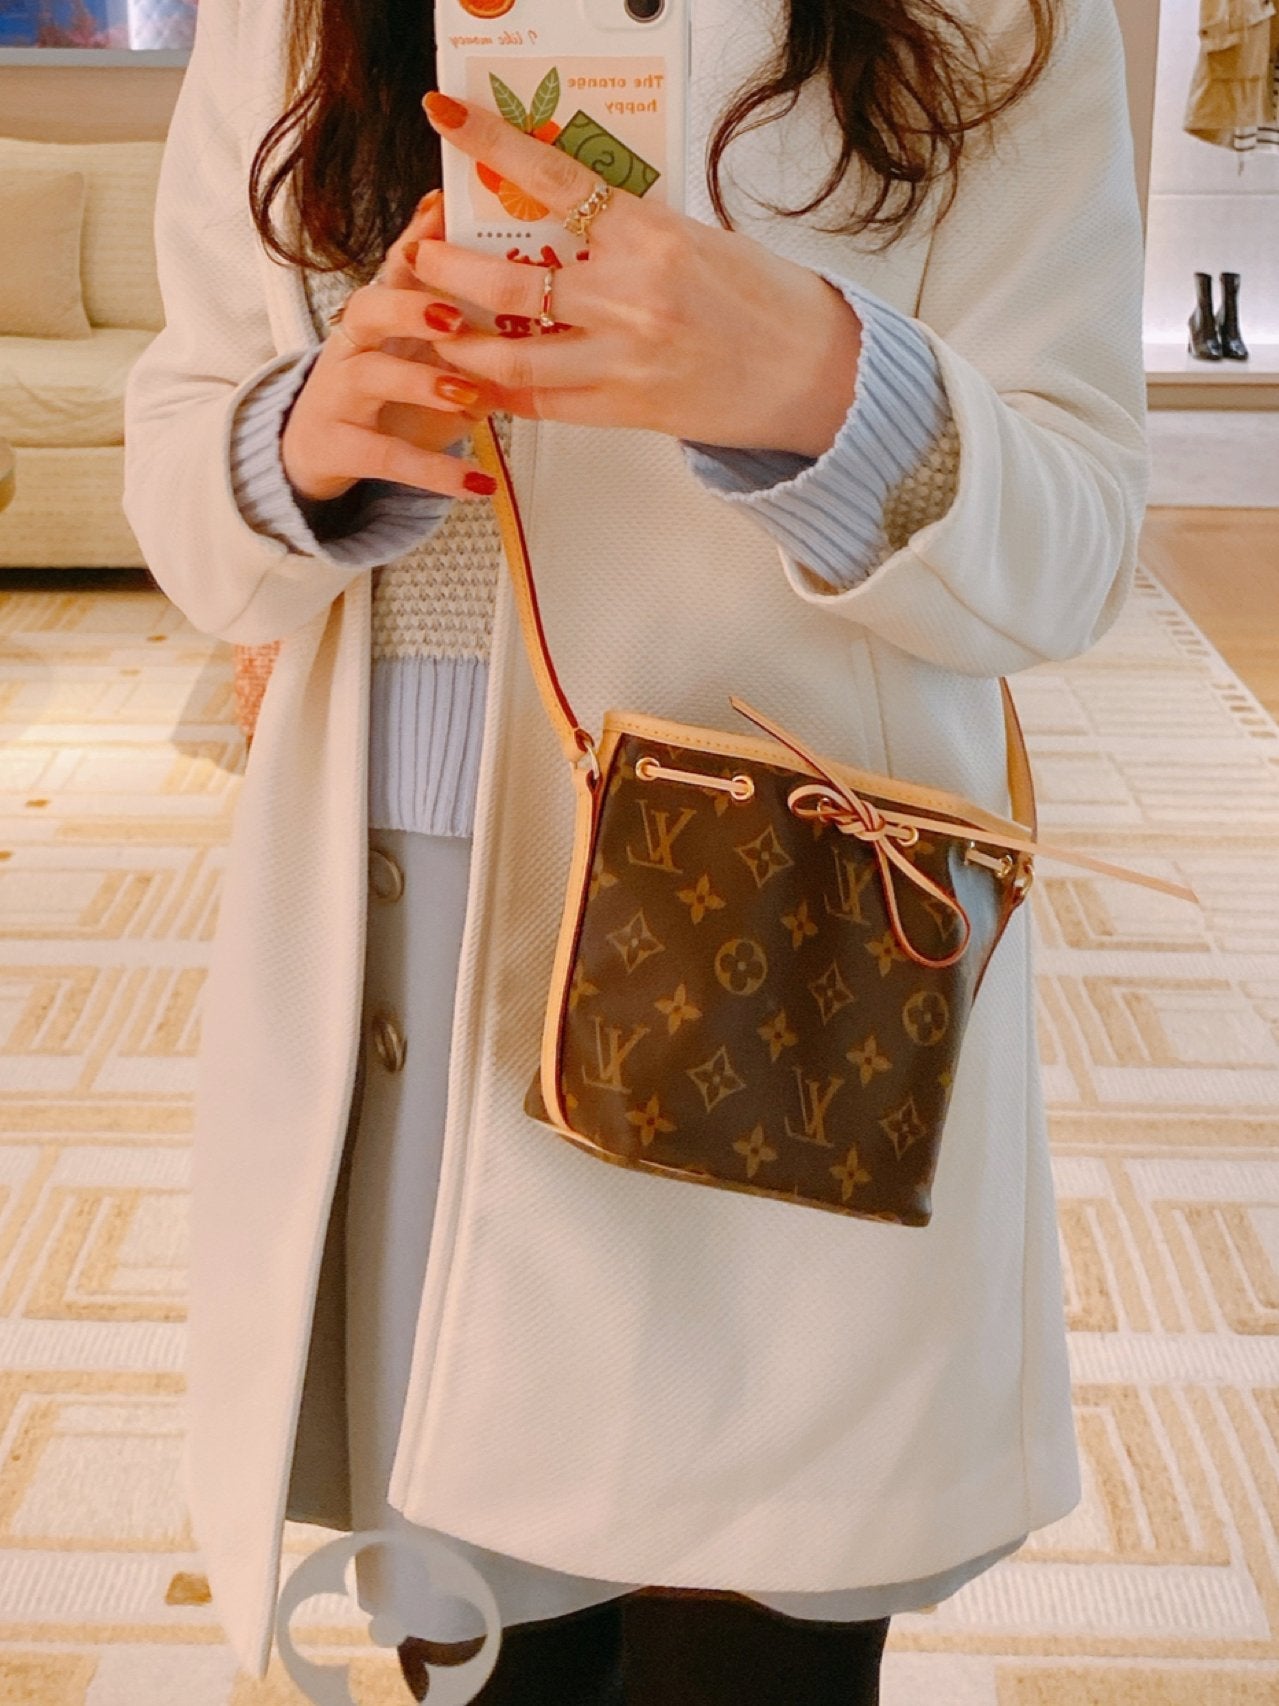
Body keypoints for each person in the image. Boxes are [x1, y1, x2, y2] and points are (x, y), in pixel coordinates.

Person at [121, 0, 1150, 1700]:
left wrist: (819, 381)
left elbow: (1079, 539)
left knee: (753, 1655)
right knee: (478, 1650)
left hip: (778, 942)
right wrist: (305, 445)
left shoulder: (995, 17)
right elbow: (182, 455)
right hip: (410, 949)